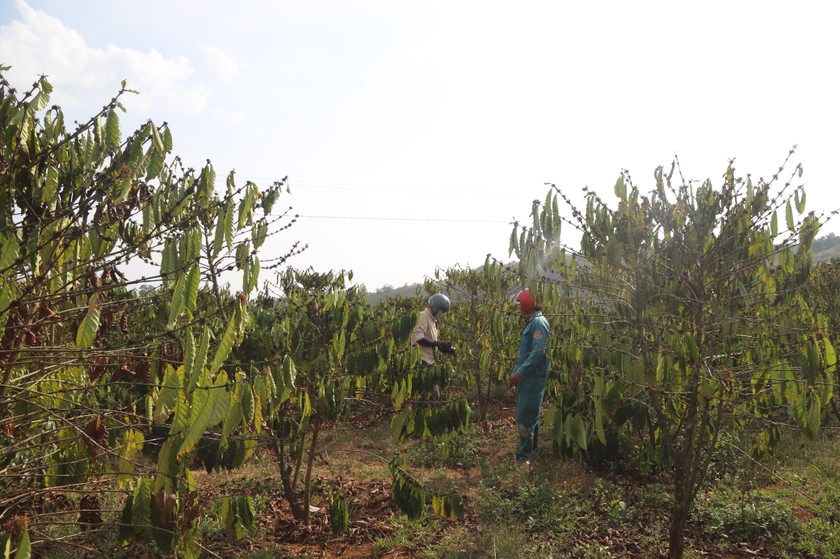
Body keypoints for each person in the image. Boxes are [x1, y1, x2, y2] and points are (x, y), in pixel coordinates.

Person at [508, 288, 550, 465]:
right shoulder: (532, 322)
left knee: (525, 417)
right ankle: (532, 452)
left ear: (526, 303)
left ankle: (524, 458)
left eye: (520, 304)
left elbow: (538, 353)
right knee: (531, 416)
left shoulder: (538, 323)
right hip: (528, 378)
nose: (518, 308)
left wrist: (520, 372)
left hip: (532, 378)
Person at [411, 293, 456, 365]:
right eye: (442, 310)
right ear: (436, 306)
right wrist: (437, 343)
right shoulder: (423, 316)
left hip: (431, 363)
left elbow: (430, 341)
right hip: (422, 362)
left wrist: (444, 347)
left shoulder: (432, 320)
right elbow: (418, 338)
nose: (442, 313)